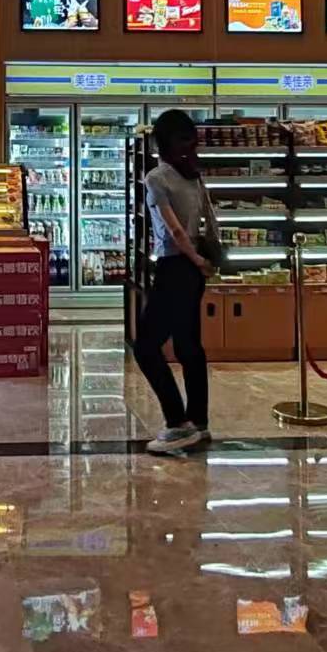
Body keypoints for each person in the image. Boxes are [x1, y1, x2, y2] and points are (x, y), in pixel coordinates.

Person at [132, 108, 216, 454]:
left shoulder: (157, 177)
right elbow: (209, 220)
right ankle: (199, 422)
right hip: (194, 273)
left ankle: (177, 423)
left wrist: (193, 258)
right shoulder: (193, 175)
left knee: (145, 346)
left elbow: (175, 231)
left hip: (174, 267)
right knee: (188, 346)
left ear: (159, 142)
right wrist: (204, 262)